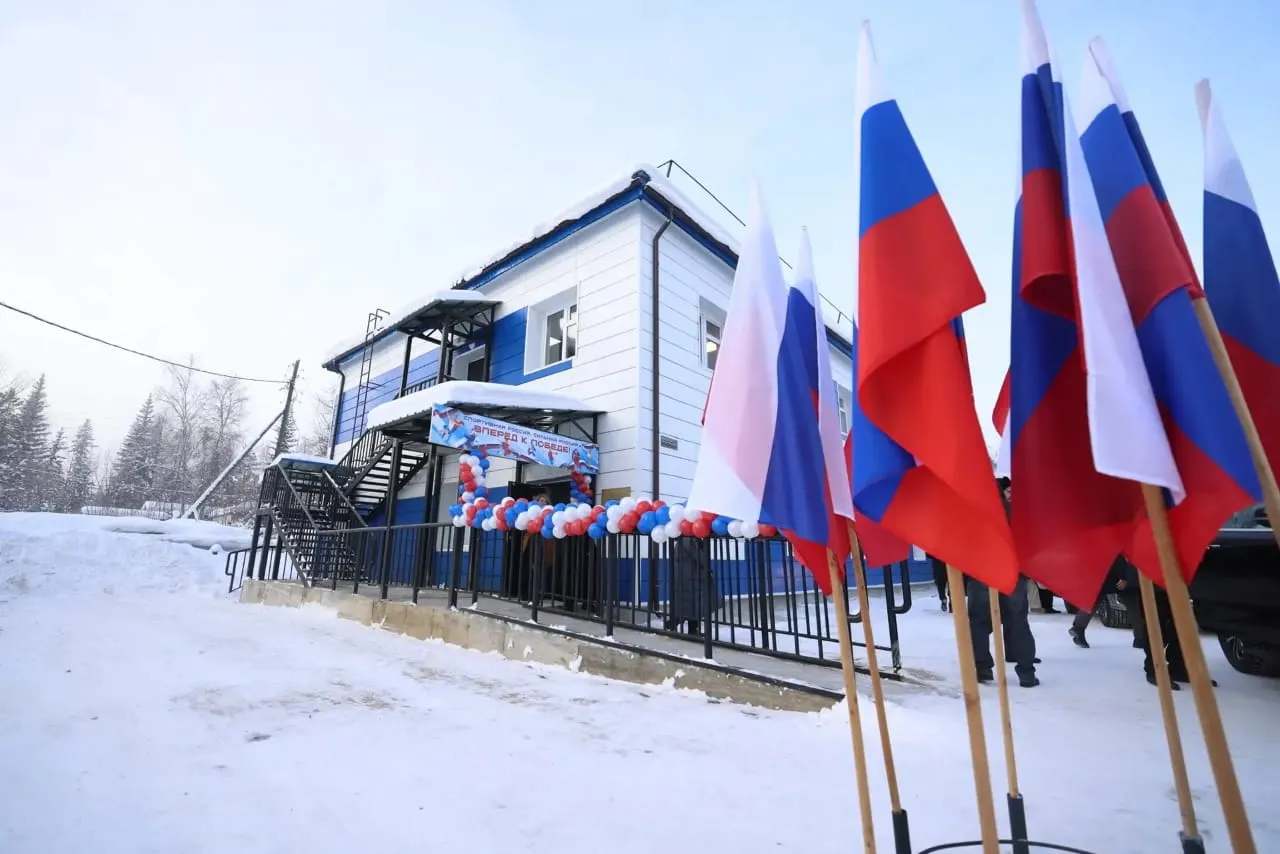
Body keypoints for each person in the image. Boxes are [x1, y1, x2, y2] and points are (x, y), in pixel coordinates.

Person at [969, 478, 1039, 687]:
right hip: (1012, 572)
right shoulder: (1014, 511)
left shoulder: (973, 511)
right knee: (1018, 620)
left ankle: (982, 667)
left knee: (978, 622)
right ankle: (1026, 671)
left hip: (982, 572)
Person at [1068, 556, 1129, 648]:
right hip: (1103, 574)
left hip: (1091, 572)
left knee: (1091, 602)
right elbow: (1116, 556)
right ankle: (1078, 628)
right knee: (1093, 602)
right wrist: (1123, 576)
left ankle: (1078, 628)